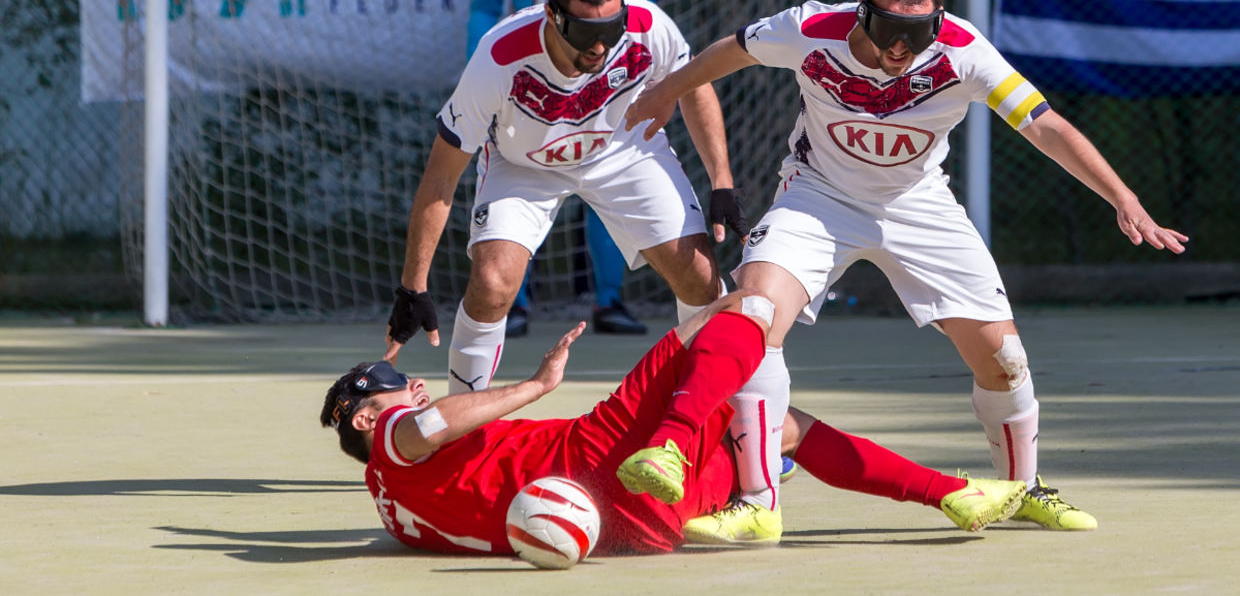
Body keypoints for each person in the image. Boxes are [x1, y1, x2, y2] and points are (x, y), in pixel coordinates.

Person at [623, 0, 1188, 541]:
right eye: (888, 29)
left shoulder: (964, 51)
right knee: (754, 314)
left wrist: (1122, 197)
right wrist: (669, 90)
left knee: (1005, 361)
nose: (899, 49)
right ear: (864, 12)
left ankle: (1024, 490)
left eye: (916, 34)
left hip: (919, 204)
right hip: (819, 196)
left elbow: (1044, 124)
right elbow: (734, 48)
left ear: (937, 19)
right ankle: (758, 502)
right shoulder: (813, 29)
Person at [322, 292, 1028, 556]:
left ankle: (951, 491)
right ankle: (674, 442)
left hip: (633, 529)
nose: (413, 387)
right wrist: (535, 385)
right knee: (741, 312)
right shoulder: (392, 441)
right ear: (364, 414)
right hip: (597, 454)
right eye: (395, 387)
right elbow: (423, 426)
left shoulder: (394, 514)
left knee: (775, 426)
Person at [384, 0, 748, 394]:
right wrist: (412, 285)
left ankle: (714, 415)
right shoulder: (499, 57)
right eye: (585, 33)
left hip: (622, 148)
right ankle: (461, 423)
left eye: (611, 30)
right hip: (524, 164)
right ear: (551, 16)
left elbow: (693, 84)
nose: (600, 46)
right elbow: (440, 180)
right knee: (492, 283)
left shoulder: (647, 23)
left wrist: (722, 181)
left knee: (701, 276)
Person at [466, 0, 660, 337]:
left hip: (603, 88)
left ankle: (609, 299)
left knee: (607, 185)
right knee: (518, 194)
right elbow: (485, 6)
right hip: (532, 92)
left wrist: (637, 67)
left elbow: (646, 7)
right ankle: (513, 304)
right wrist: (479, 64)